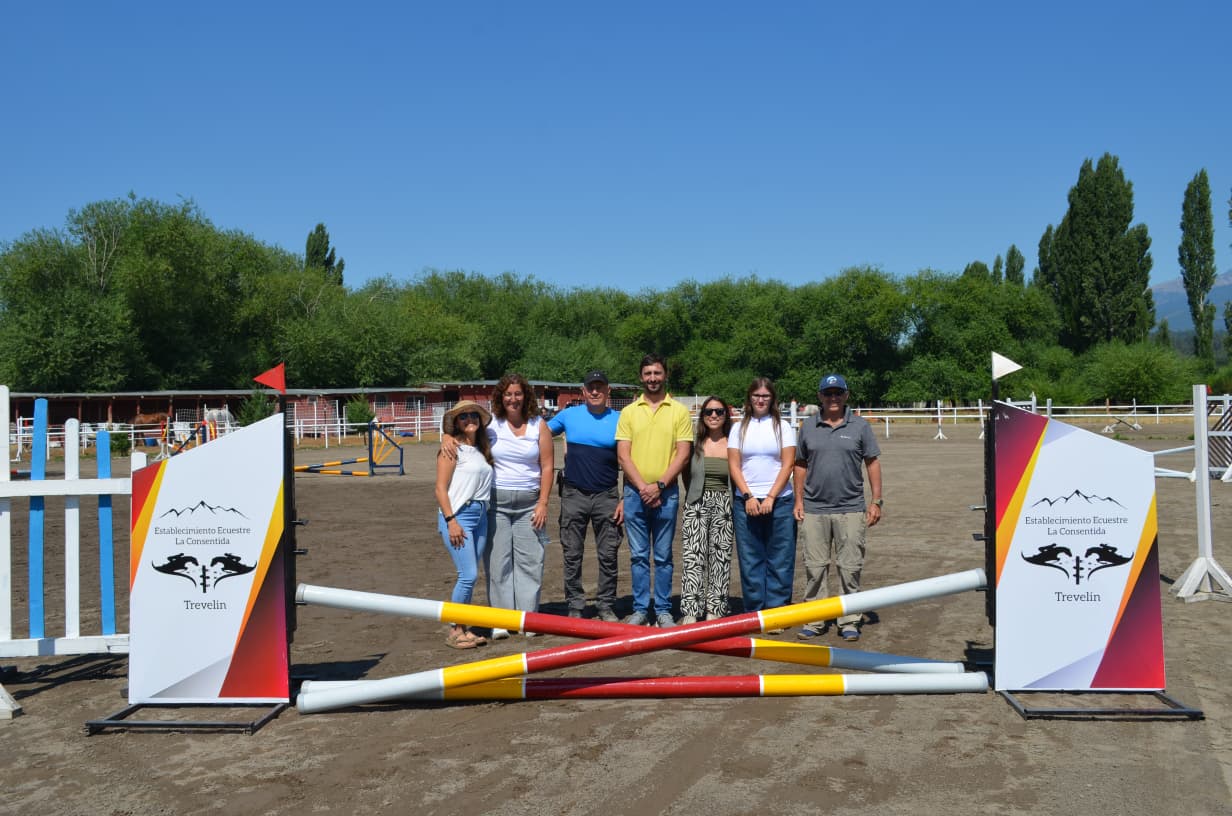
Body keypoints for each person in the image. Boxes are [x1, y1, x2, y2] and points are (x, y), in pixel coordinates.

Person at [793, 373, 882, 642]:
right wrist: (799, 500)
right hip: (814, 509)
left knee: (850, 567)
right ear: (820, 396)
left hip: (851, 508)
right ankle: (815, 619)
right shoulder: (808, 426)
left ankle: (849, 619)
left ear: (846, 395)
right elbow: (800, 465)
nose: (833, 398)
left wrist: (876, 501)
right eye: (828, 393)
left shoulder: (860, 426)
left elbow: (872, 463)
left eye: (838, 393)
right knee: (815, 567)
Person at [615, 354, 693, 627]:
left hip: (666, 494)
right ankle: (640, 609)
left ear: (665, 375)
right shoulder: (629, 412)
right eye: (647, 373)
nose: (652, 378)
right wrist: (643, 488)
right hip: (635, 495)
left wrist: (659, 486)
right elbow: (623, 455)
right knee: (638, 556)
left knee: (662, 556)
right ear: (641, 377)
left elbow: (683, 454)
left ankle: (662, 610)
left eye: (657, 373)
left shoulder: (679, 411)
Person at [547, 370, 624, 622]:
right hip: (574, 494)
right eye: (591, 387)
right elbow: (539, 435)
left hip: (607, 496)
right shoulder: (568, 415)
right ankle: (575, 605)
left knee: (608, 553)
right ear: (583, 391)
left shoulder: (620, 419)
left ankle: (605, 605)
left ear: (608, 391)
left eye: (600, 387)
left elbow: (633, 456)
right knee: (572, 553)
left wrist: (625, 498)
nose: (595, 391)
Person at [485, 373, 554, 637]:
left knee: (530, 561)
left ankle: (528, 620)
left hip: (530, 504)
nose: (513, 399)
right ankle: (501, 621)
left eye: (518, 394)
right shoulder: (491, 424)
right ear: (501, 397)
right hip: (496, 503)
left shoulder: (539, 425)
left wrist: (543, 503)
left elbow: (547, 466)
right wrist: (447, 438)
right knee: (498, 563)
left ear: (525, 396)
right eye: (508, 394)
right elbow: (461, 434)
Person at [728, 378, 798, 620]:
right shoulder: (738, 428)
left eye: (765, 396)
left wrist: (771, 497)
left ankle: (777, 612)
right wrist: (748, 496)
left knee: (780, 558)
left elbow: (788, 463)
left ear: (772, 399)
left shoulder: (783, 427)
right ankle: (755, 613)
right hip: (746, 502)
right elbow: (734, 465)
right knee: (750, 559)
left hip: (780, 501)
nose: (760, 400)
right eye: (756, 395)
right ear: (749, 398)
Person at [433, 400, 494, 649]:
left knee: (470, 575)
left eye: (474, 415)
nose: (470, 419)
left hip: (480, 516)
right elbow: (440, 488)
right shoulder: (450, 449)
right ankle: (455, 630)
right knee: (467, 575)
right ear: (456, 422)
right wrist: (451, 521)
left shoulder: (480, 450)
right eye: (464, 416)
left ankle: (462, 628)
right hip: (459, 516)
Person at [679, 396, 734, 624]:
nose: (713, 415)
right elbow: (686, 474)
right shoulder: (695, 444)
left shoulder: (733, 444)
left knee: (720, 557)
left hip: (724, 505)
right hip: (696, 503)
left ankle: (715, 609)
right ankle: (691, 610)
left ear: (725, 415)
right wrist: (693, 496)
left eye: (719, 411)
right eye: (709, 411)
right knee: (693, 556)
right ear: (702, 416)